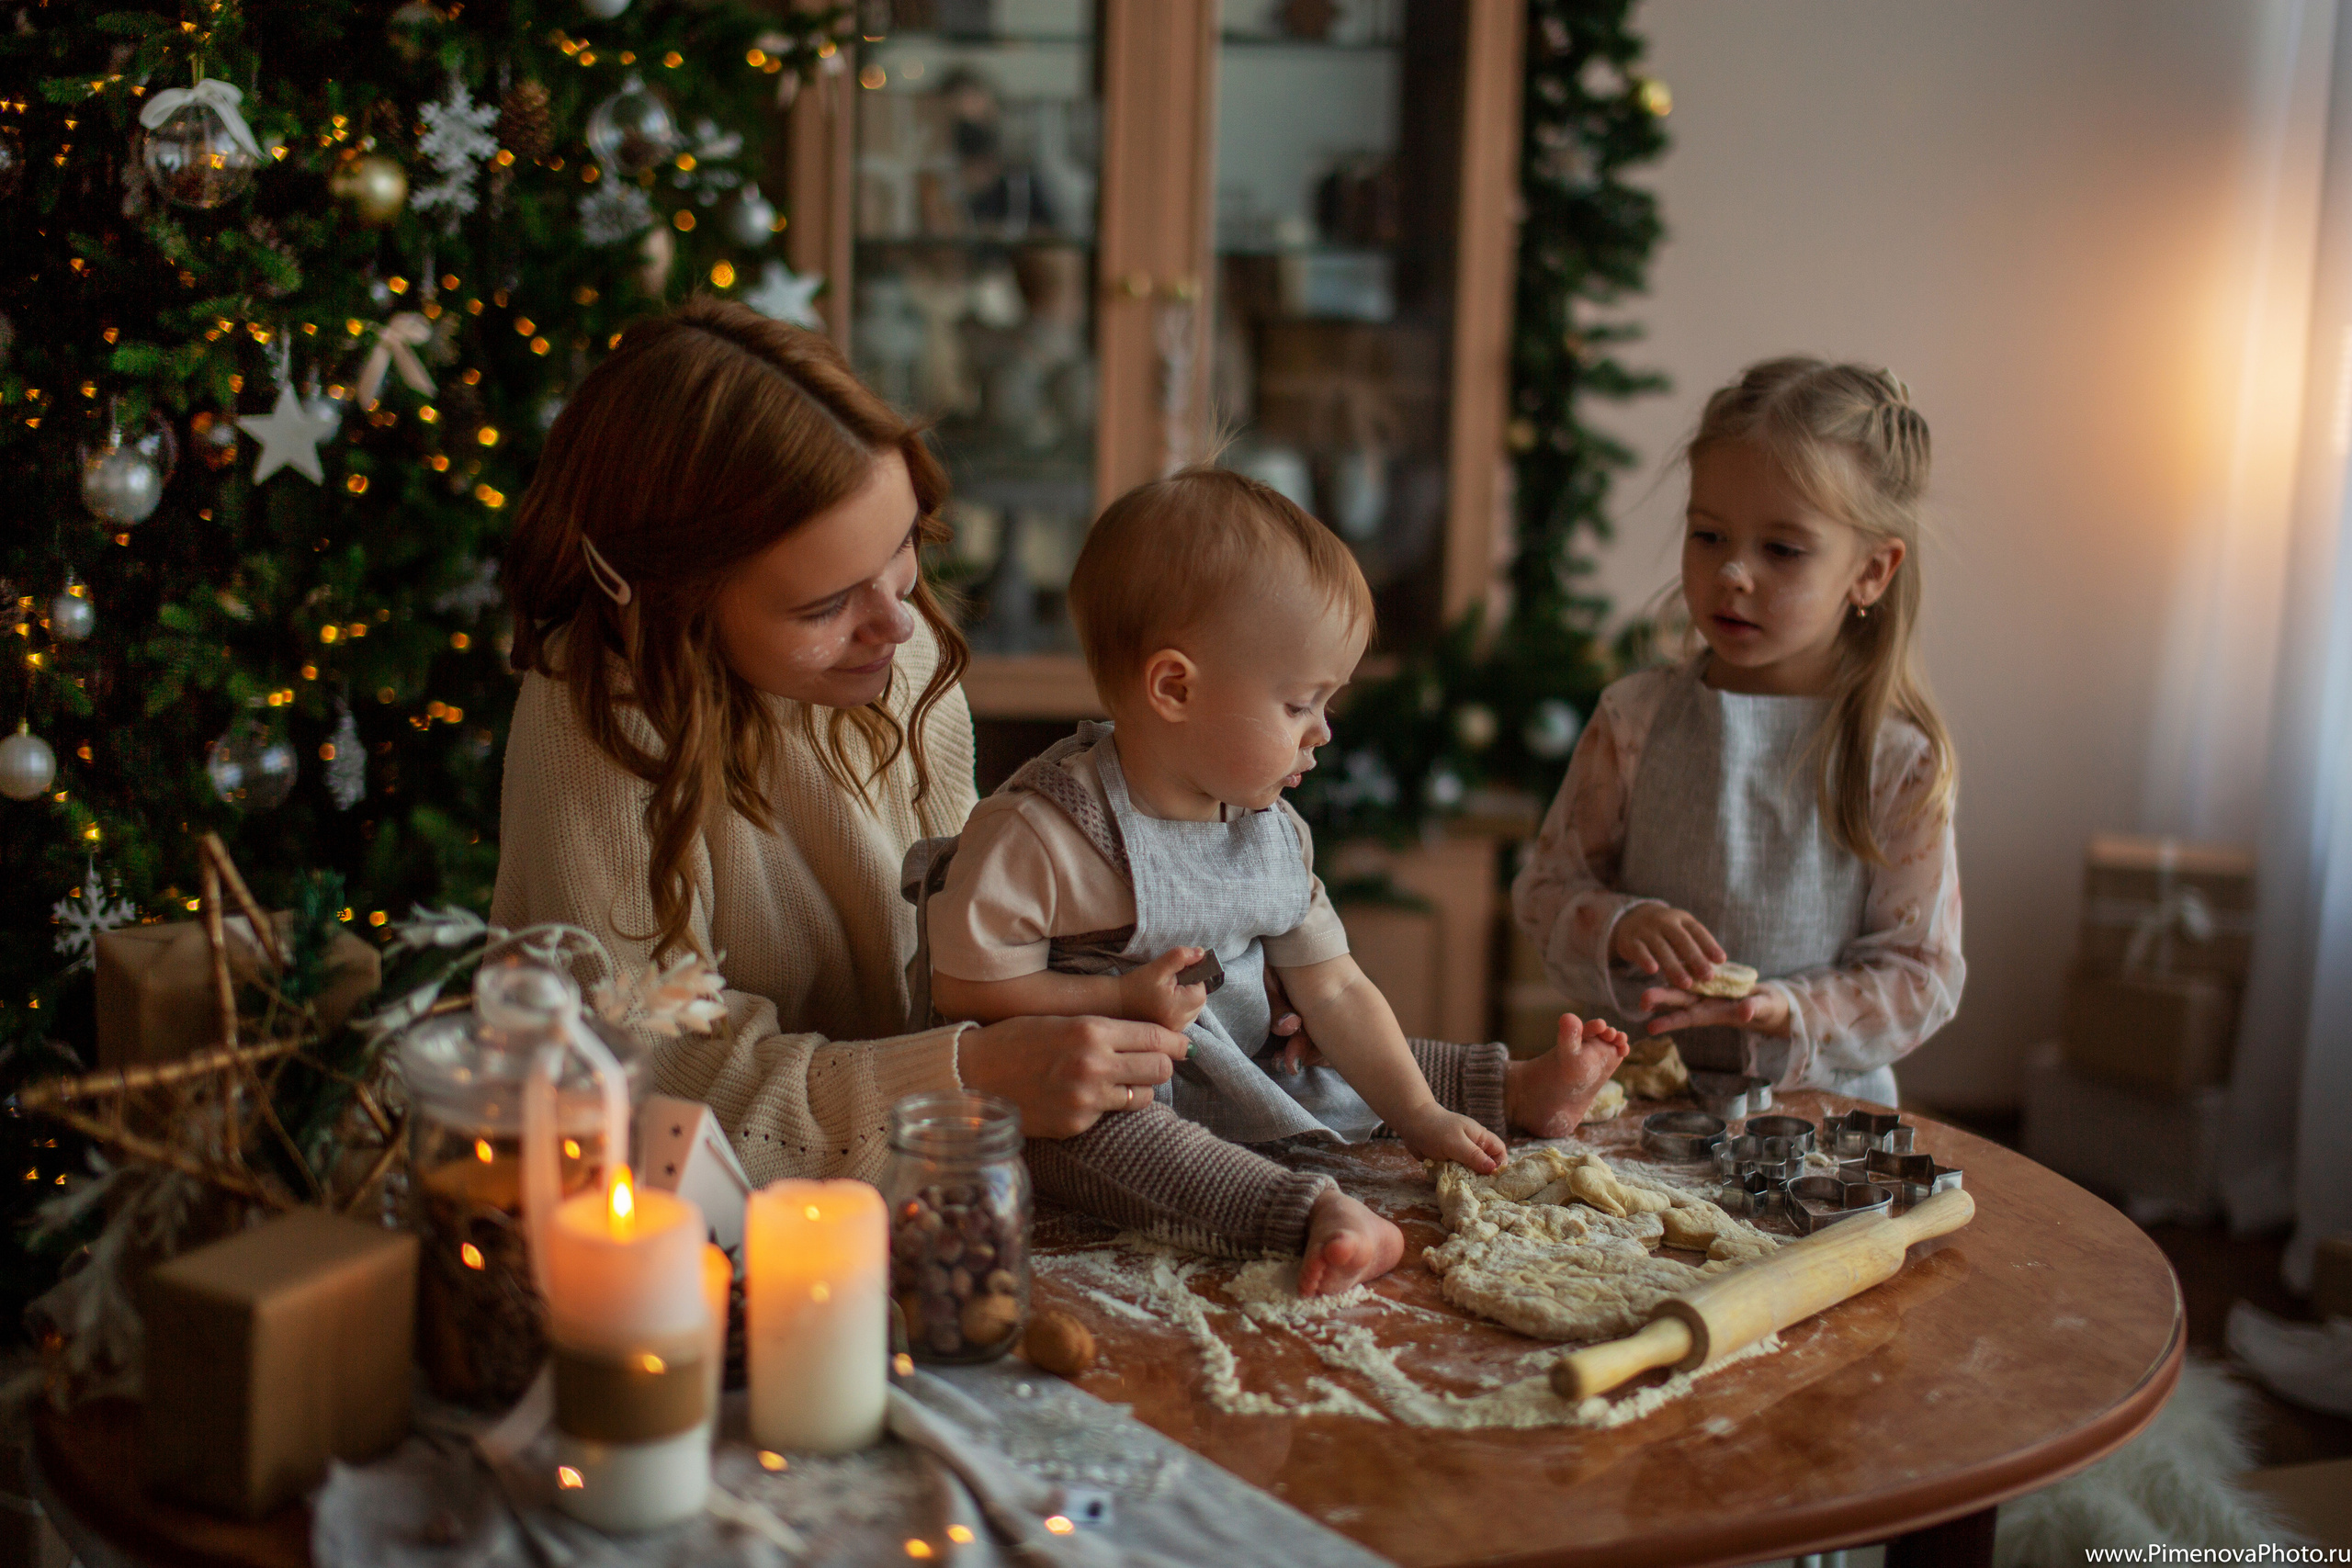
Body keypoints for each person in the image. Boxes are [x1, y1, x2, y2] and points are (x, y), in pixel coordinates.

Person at [492, 297, 1192, 1188]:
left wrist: (1181, 962)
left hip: (918, 1185)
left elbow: (973, 930)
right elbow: (652, 1085)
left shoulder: (900, 661)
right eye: (824, 607)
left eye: (902, 547)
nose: (897, 622)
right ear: (664, 597)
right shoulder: (595, 716)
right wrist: (967, 1077)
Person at [909, 468, 1634, 1295]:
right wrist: (1112, 1004)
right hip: (1108, 1094)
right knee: (1100, 1141)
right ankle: (1300, 1211)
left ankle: (1505, 1087)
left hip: (1244, 1062)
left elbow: (1338, 992)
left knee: (1320, 1057)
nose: (1323, 732)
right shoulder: (1047, 832)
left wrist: (1421, 1117)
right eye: (1299, 705)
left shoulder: (1274, 830)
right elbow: (963, 988)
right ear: (1174, 687)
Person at [1513, 358, 1965, 1107]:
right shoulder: (1634, 720)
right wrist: (1622, 925)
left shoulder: (1897, 763)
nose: (1732, 573)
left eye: (1781, 549)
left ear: (1872, 572)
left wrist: (1791, 1009)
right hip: (1641, 1105)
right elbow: (1542, 895)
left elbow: (1921, 976)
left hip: (1818, 1116)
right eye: (1709, 535)